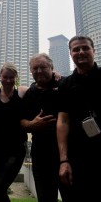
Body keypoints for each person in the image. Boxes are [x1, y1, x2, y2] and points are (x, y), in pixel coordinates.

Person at [20, 53, 70, 202]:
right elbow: (20, 120)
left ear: (52, 68)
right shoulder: (30, 93)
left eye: (43, 67)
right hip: (41, 155)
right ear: (30, 71)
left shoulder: (65, 85)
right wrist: (31, 124)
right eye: (35, 68)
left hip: (68, 153)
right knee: (45, 197)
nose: (39, 71)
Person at [56, 36, 101, 202]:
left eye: (85, 48)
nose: (80, 52)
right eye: (76, 49)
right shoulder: (66, 85)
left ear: (93, 51)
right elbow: (63, 122)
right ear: (70, 54)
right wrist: (63, 160)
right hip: (77, 157)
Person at [0, 62, 28, 202]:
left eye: (12, 77)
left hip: (15, 150)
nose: (8, 80)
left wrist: (55, 76)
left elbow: (40, 87)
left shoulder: (22, 92)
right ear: (0, 76)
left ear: (16, 77)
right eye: (5, 77)